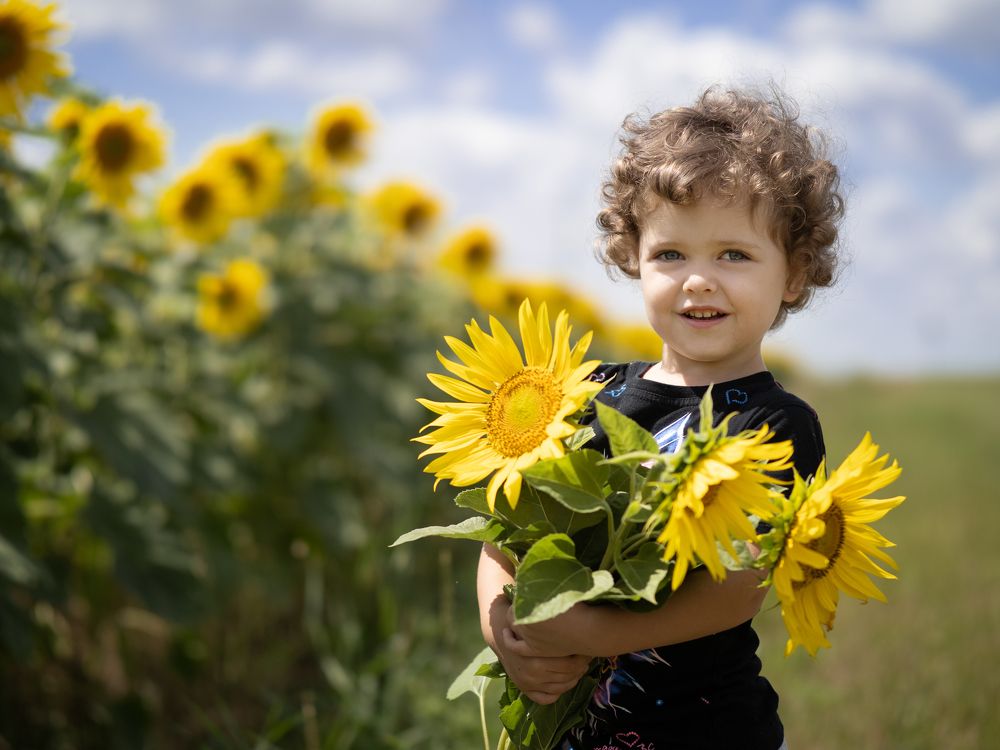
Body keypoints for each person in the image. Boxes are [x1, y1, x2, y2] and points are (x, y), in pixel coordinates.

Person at [477, 85, 845, 750]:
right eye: (670, 255)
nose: (698, 280)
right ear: (633, 259)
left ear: (793, 274)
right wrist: (502, 627)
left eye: (733, 254)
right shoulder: (582, 395)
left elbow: (739, 589)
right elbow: (505, 533)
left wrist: (594, 636)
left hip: (707, 730)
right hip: (582, 727)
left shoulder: (775, 424)